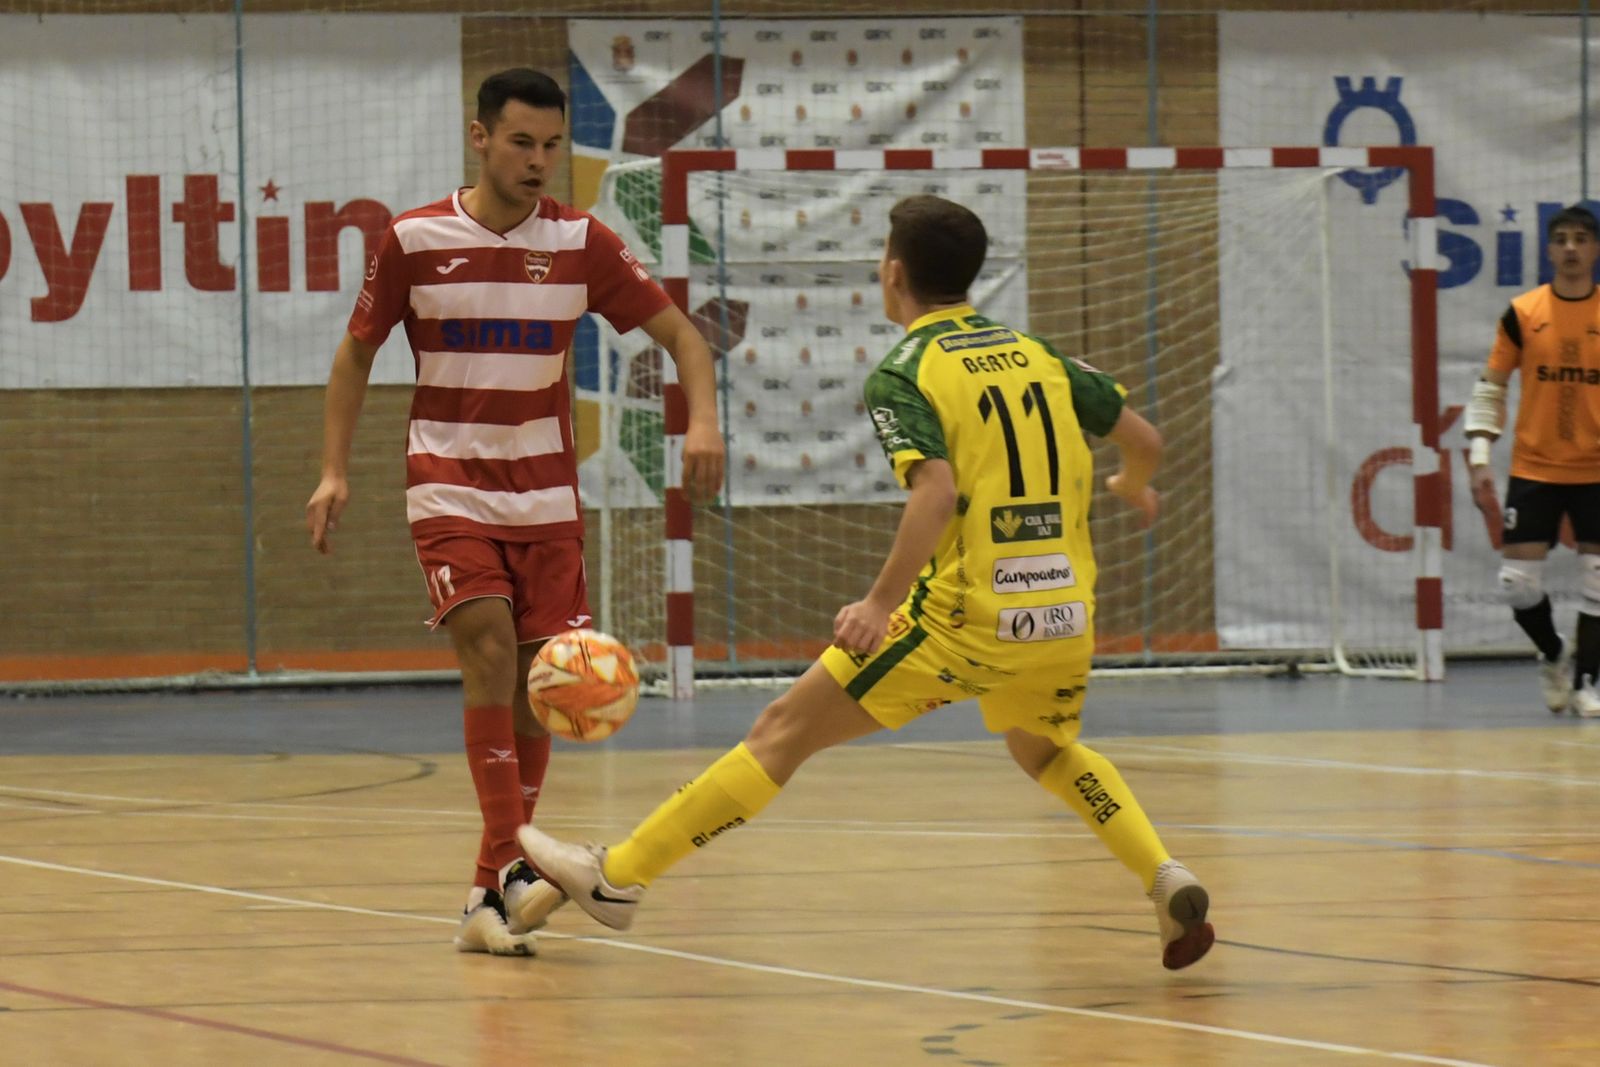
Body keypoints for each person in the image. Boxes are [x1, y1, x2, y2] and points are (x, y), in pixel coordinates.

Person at [518, 194, 1216, 971]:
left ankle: (618, 877)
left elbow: (936, 492)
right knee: (1047, 750)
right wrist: (1129, 484)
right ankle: (1163, 874)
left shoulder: (907, 371)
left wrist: (880, 604)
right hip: (1064, 612)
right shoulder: (1038, 353)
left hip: (966, 616)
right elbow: (1145, 439)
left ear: (893, 274)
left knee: (780, 731)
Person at [305, 68, 725, 954]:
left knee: (540, 687)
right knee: (490, 648)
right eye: (522, 142)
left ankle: (486, 893)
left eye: (552, 146)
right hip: (448, 485)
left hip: (546, 498)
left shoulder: (581, 242)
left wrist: (704, 424)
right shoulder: (414, 238)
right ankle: (521, 862)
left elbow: (685, 337)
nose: (539, 161)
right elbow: (354, 356)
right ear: (480, 137)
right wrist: (332, 471)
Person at [1467, 204, 1600, 718]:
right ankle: (1553, 653)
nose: (1571, 248)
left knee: (1598, 580)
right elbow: (1491, 387)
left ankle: (1588, 683)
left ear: (1595, 249)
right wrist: (1480, 455)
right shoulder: (1522, 313)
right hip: (1535, 468)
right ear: (1548, 250)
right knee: (1517, 585)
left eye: (1581, 239)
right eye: (1562, 239)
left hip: (1595, 470)